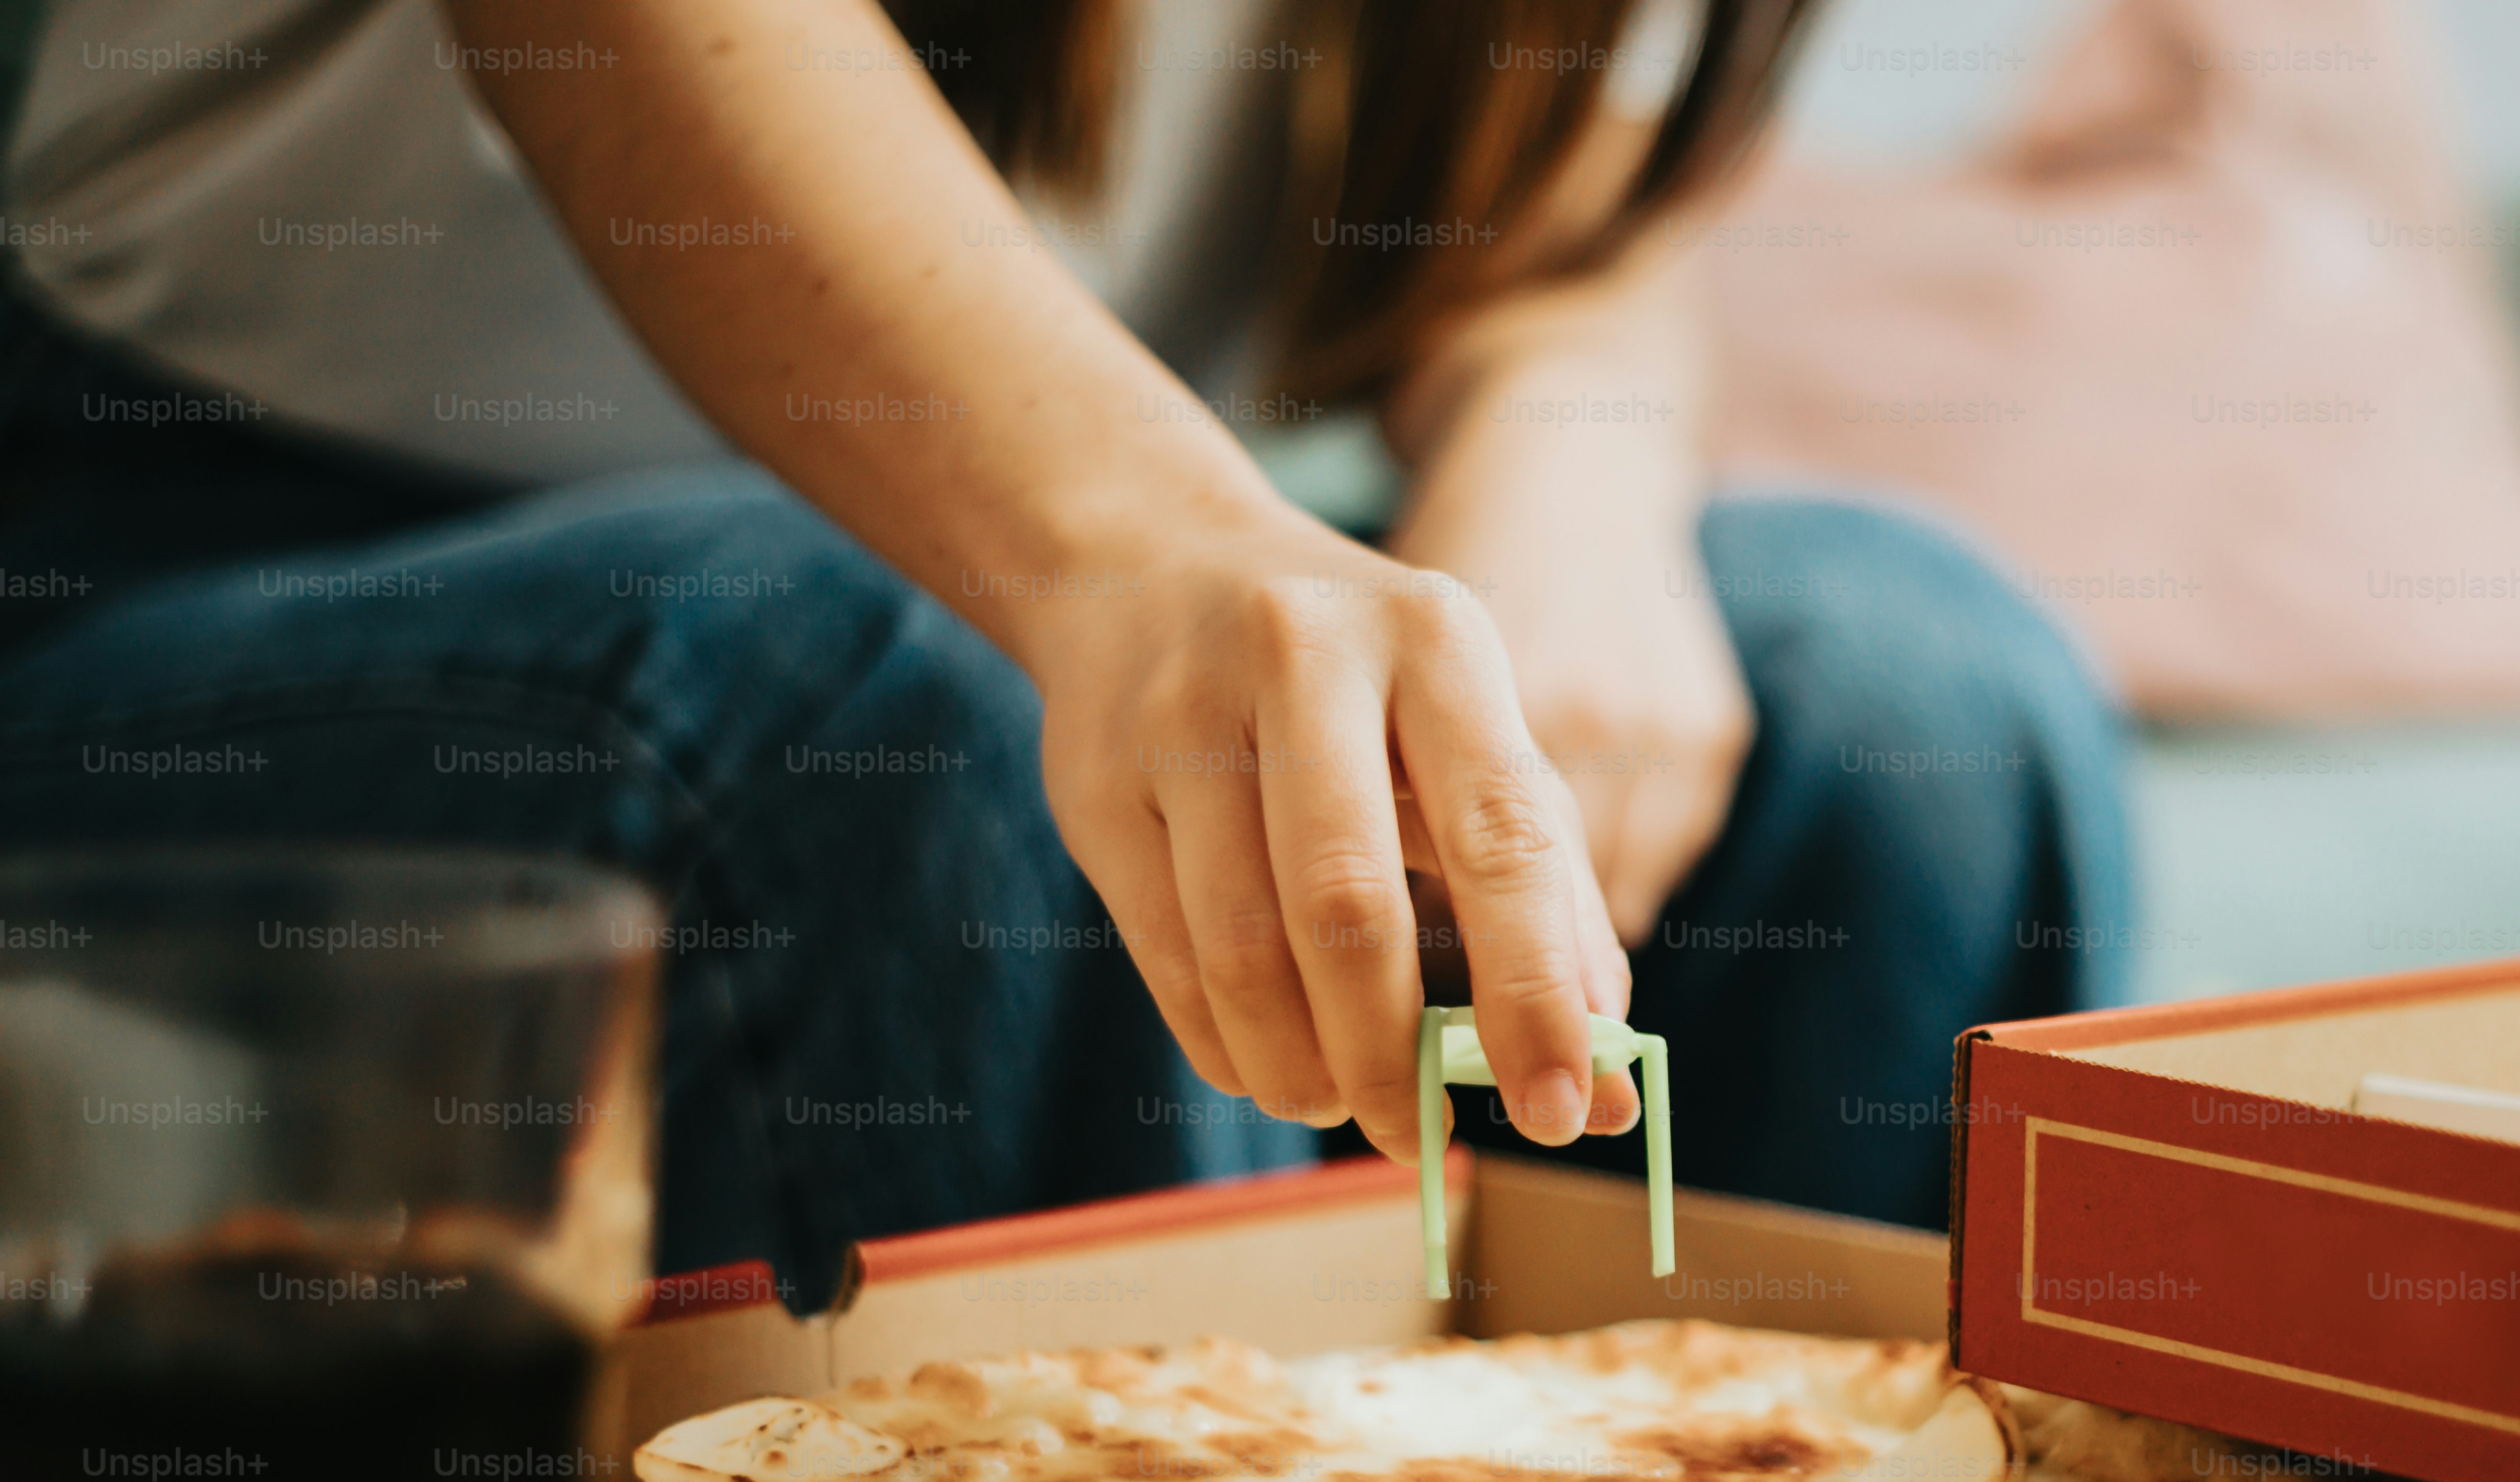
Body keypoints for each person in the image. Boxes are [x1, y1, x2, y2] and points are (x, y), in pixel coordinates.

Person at [0, 0, 2129, 1308]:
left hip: (1023, 554)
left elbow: (1556, 171)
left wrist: (1560, 489)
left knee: (1903, 695)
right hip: (222, 574)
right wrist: (1140, 559)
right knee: (894, 716)